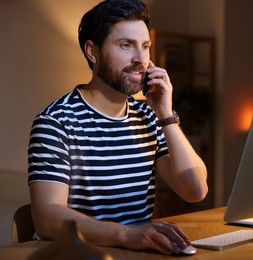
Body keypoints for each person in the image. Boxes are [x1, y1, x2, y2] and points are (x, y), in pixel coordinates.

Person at [27, 0, 208, 255]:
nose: (140, 59)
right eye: (126, 45)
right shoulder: (55, 122)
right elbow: (46, 218)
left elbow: (195, 190)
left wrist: (166, 115)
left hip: (135, 252)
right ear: (93, 52)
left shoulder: (148, 115)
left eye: (145, 47)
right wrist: (127, 234)